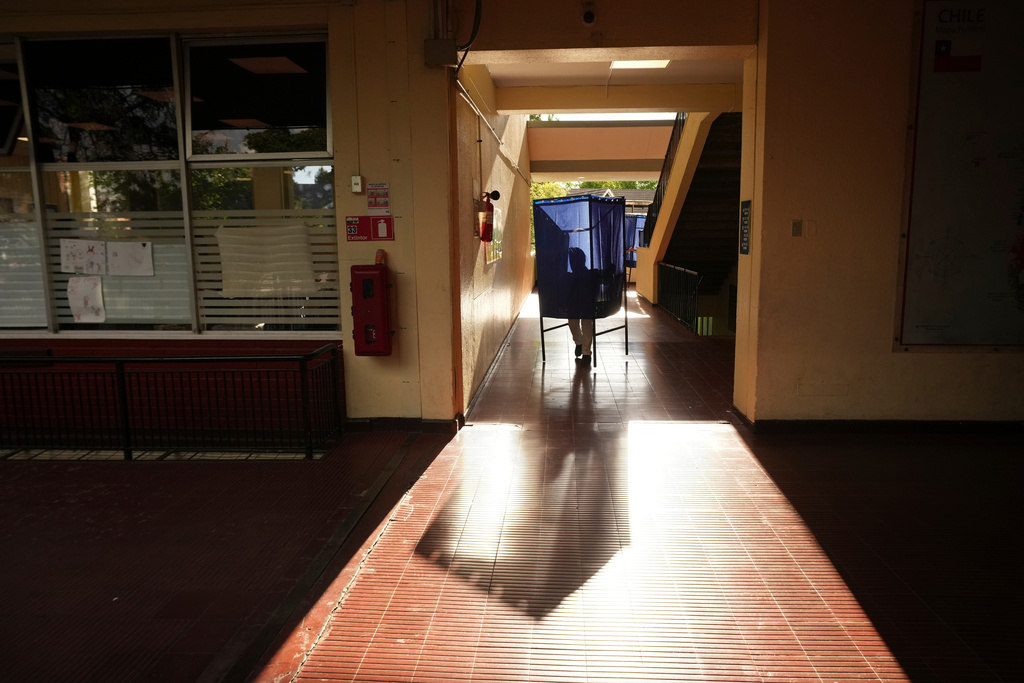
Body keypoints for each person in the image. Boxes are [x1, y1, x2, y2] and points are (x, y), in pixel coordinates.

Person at [566, 247, 594, 365]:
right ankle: (579, 343)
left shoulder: (589, 274)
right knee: (573, 323)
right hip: (576, 306)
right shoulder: (571, 276)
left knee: (585, 323)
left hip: (586, 306)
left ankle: (586, 353)